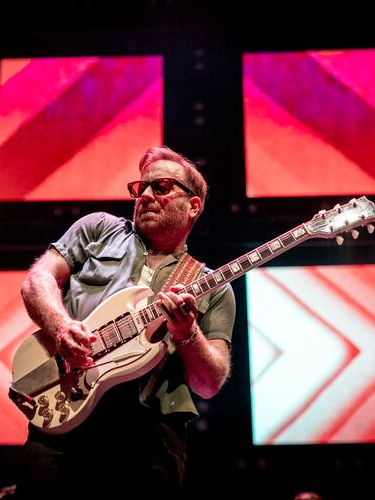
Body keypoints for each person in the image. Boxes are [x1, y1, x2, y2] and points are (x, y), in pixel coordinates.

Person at [15, 146, 235, 499]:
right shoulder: (98, 229)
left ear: (193, 206)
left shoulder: (212, 286)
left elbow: (209, 382)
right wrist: (60, 326)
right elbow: (37, 280)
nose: (144, 196)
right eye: (140, 188)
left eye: (161, 187)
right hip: (64, 420)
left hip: (149, 438)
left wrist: (188, 333)